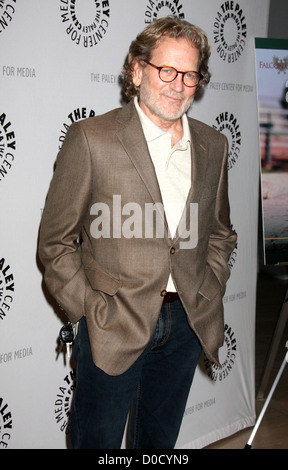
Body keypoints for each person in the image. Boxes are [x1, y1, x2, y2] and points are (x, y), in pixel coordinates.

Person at [38, 16, 237, 449]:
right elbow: (56, 242)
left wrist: (210, 284)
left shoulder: (214, 145)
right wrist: (89, 310)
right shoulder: (92, 139)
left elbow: (220, 232)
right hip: (112, 323)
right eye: (166, 70)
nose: (177, 84)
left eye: (189, 74)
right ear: (137, 70)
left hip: (185, 323)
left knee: (158, 443)